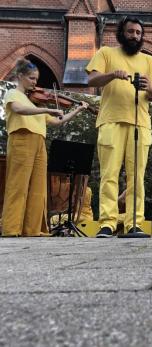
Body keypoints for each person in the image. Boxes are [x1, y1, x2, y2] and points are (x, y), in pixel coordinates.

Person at [86, 16, 152, 238]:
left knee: (137, 177)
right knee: (109, 174)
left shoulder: (149, 61)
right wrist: (111, 75)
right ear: (122, 33)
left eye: (138, 33)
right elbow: (92, 81)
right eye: (131, 32)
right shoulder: (106, 53)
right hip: (111, 121)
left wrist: (149, 87)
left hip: (141, 123)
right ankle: (107, 224)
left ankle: (134, 224)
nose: (134, 36)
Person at [1, 58, 88, 237]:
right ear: (20, 76)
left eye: (36, 79)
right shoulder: (13, 94)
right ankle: (11, 228)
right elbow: (19, 110)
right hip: (21, 139)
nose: (35, 82)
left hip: (39, 142)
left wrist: (77, 110)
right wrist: (47, 110)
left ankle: (32, 229)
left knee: (38, 188)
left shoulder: (36, 102)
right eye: (32, 78)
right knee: (18, 186)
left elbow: (58, 121)